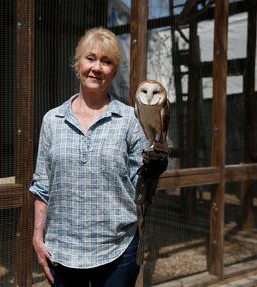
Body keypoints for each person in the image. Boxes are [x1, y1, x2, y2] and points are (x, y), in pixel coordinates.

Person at [30, 27, 167, 287]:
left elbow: (142, 188)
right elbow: (42, 185)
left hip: (117, 249)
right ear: (77, 63)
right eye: (90, 58)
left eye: (106, 62)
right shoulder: (52, 120)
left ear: (114, 71)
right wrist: (38, 236)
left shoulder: (129, 119)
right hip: (62, 250)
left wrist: (154, 170)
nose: (97, 68)